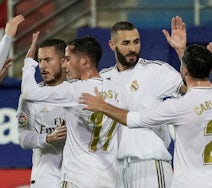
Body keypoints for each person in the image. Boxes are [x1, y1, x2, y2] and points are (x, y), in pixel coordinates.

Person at [80, 43, 212, 188]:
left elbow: (131, 119)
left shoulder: (179, 106)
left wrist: (102, 106)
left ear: (184, 70)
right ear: (210, 69)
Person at [21, 36, 125, 188]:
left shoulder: (75, 90)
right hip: (108, 179)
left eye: (68, 59)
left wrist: (29, 63)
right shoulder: (117, 90)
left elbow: (29, 92)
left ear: (83, 61)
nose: (65, 65)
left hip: (77, 178)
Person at [94, 16, 186, 188]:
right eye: (126, 43)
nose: (132, 48)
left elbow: (191, 90)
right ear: (112, 45)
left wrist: (182, 52)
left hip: (149, 164)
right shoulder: (103, 78)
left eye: (136, 42)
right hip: (115, 168)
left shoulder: (155, 71)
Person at [17, 31, 67, 188]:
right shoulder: (30, 96)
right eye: (39, 60)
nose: (42, 66)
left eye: (48, 60)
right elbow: (23, 139)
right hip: (45, 177)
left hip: (77, 174)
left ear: (64, 61)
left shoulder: (78, 91)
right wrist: (47, 139)